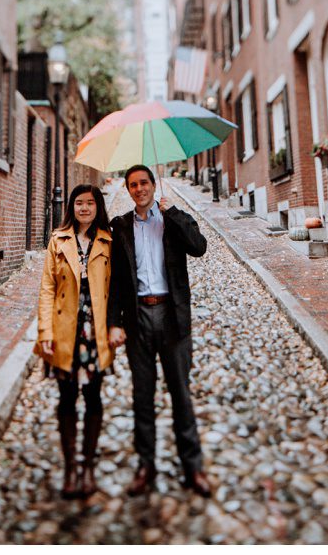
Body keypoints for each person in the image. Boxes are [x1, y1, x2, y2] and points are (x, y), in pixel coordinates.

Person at [108, 165, 212, 497]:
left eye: (144, 183)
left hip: (172, 316)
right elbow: (114, 283)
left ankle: (192, 468)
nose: (139, 189)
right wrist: (113, 322)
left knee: (180, 392)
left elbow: (199, 246)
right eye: (133, 185)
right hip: (138, 317)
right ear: (128, 190)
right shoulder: (120, 227)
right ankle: (145, 466)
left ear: (154, 185)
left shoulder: (172, 219)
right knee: (142, 396)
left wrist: (175, 213)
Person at [36, 184, 119, 498]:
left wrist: (116, 326)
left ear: (98, 206)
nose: (85, 208)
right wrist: (45, 333)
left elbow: (120, 290)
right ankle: (70, 466)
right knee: (67, 397)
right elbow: (46, 288)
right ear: (72, 207)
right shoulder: (58, 240)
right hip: (65, 331)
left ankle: (88, 467)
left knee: (94, 396)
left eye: (90, 203)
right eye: (79, 203)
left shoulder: (109, 241)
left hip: (95, 332)